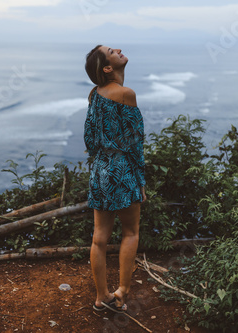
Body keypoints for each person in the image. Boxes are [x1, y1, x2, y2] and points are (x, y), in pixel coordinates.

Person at [84, 45, 146, 313]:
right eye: (112, 51)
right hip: (121, 169)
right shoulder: (125, 95)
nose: (119, 49)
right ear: (107, 68)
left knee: (99, 238)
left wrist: (100, 166)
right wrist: (140, 180)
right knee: (130, 232)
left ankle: (101, 297)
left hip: (99, 168)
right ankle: (122, 291)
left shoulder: (95, 95)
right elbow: (135, 143)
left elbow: (89, 138)